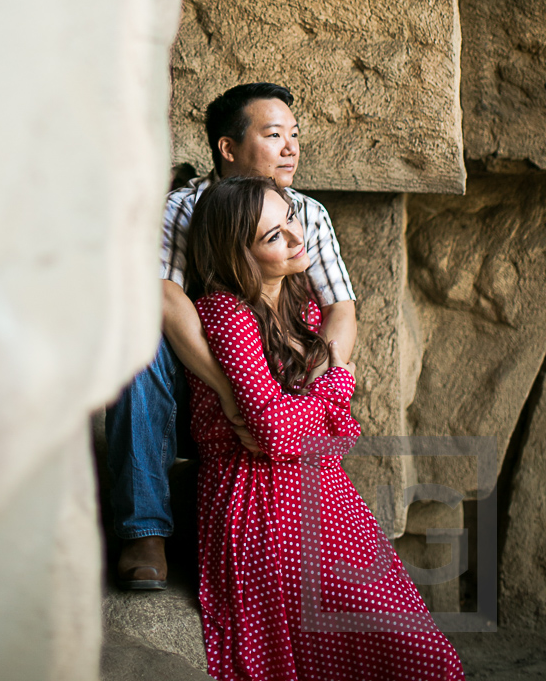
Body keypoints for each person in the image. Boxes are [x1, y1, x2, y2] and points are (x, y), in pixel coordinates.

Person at [185, 175, 464, 681]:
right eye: (274, 236)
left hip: (329, 492)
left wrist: (311, 410)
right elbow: (274, 431)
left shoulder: (301, 306)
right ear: (238, 255)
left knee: (424, 655)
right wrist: (334, 387)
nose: (296, 236)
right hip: (259, 502)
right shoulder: (225, 312)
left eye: (290, 218)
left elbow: (335, 438)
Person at [106, 82, 357, 589]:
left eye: (294, 135)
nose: (291, 148)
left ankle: (305, 536)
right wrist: (231, 390)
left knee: (310, 334)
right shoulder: (180, 208)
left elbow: (341, 310)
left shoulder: (307, 213)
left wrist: (314, 388)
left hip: (277, 388)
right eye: (273, 135)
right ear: (228, 148)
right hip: (199, 382)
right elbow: (163, 297)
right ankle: (145, 532)